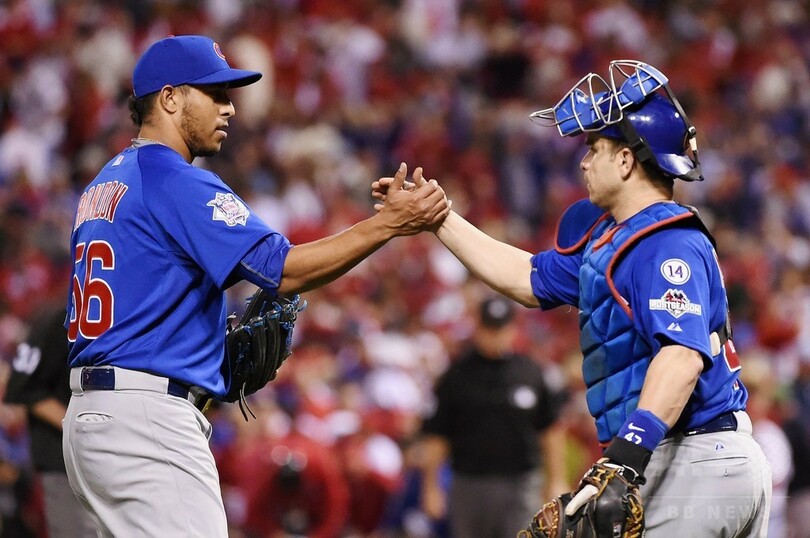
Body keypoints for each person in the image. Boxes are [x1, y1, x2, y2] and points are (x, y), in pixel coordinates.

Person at [62, 34, 449, 537]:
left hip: (92, 420)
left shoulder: (104, 184)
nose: (229, 108)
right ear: (170, 98)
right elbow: (283, 270)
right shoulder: (173, 178)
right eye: (215, 93)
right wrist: (389, 224)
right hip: (146, 422)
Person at [375, 60, 772, 536]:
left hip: (695, 455)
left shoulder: (666, 242)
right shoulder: (616, 242)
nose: (584, 162)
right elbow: (524, 277)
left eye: (595, 149)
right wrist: (439, 218)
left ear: (625, 161)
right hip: (689, 457)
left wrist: (626, 456)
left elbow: (682, 357)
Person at [418, 295, 567, 538]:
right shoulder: (457, 375)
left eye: (500, 328)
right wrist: (431, 487)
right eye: (488, 328)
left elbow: (550, 429)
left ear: (512, 329)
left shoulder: (529, 372)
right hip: (469, 483)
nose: (495, 335)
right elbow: (437, 435)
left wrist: (556, 479)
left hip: (521, 482)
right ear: (477, 327)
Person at [3, 304, 97, 537]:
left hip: (105, 457)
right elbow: (22, 386)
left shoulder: (118, 314)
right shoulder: (60, 318)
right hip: (63, 460)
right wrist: (80, 426)